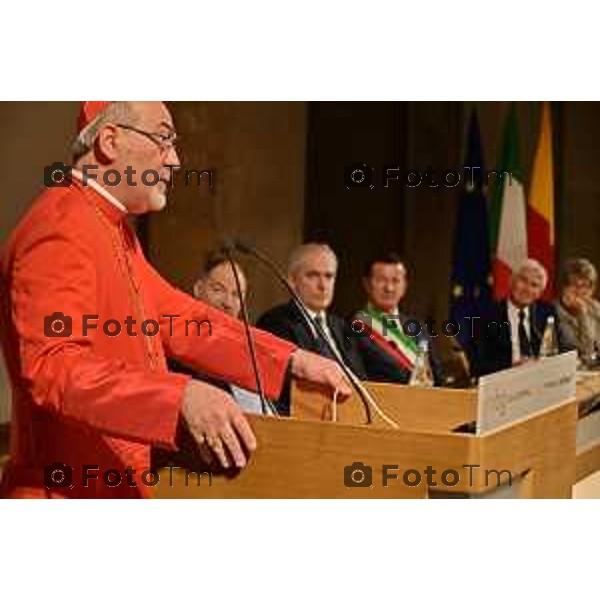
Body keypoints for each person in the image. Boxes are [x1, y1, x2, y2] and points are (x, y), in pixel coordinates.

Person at [0, 101, 350, 499]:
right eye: (164, 140)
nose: (176, 160)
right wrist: (179, 395)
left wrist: (290, 362)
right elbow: (54, 366)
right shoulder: (61, 225)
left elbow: (182, 321)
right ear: (111, 141)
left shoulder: (112, 229)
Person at [257, 243, 366, 413]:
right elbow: (283, 387)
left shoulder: (342, 326)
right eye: (313, 275)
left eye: (329, 276)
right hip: (304, 417)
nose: (322, 285)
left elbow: (363, 382)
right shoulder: (275, 321)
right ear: (292, 280)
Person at [188, 250, 269, 414]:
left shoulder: (249, 352)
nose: (228, 303)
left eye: (236, 295)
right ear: (198, 289)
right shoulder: (179, 343)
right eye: (218, 290)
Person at [352, 252, 443, 386]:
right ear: (366, 283)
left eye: (395, 281)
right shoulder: (353, 327)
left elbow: (438, 376)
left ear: (405, 286)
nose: (389, 288)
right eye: (381, 280)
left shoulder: (418, 327)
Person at [475, 258, 575, 376]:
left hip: (540, 378)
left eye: (534, 285)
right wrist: (512, 366)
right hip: (503, 380)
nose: (527, 289)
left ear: (539, 293)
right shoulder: (487, 315)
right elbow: (478, 363)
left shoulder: (546, 312)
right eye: (523, 280)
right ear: (512, 281)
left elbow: (559, 348)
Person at [555, 258, 600, 363]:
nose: (580, 291)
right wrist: (582, 314)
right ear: (564, 287)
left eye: (585, 286)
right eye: (575, 285)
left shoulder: (595, 307)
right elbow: (585, 351)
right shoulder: (553, 313)